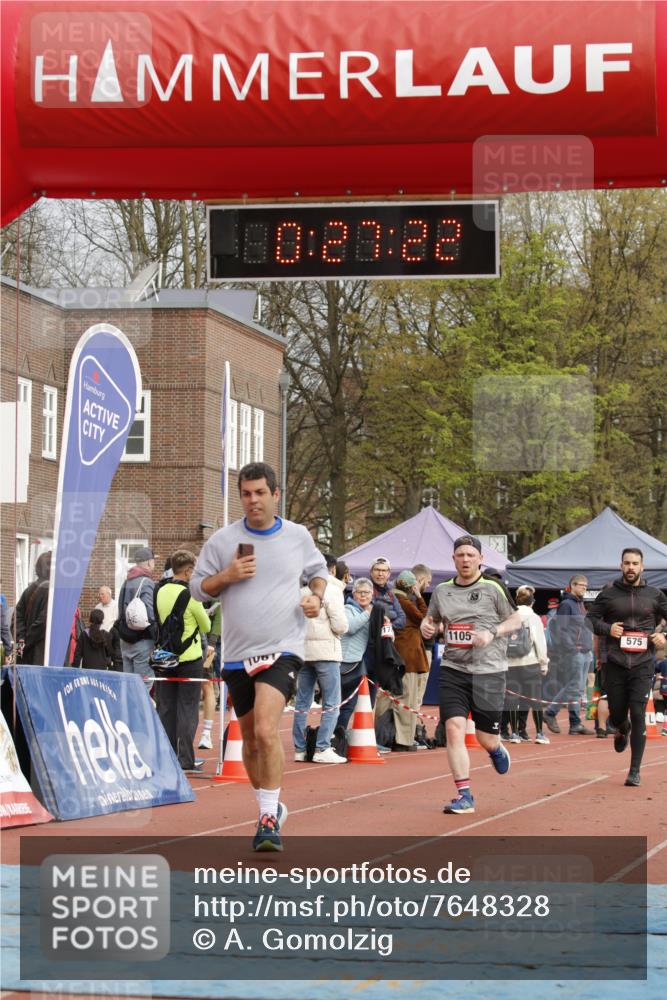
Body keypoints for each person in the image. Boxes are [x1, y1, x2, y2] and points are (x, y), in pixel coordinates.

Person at [190, 462, 328, 851]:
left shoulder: (297, 536)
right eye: (246, 494)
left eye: (260, 493)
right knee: (249, 741)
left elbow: (319, 571)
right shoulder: (222, 540)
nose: (253, 500)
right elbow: (198, 590)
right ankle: (271, 805)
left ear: (275, 495)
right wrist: (227, 576)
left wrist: (314, 597)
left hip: (283, 647)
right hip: (236, 654)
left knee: (267, 731)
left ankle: (267, 820)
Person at [421, 534, 522, 815]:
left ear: (480, 559)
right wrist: (426, 628)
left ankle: (496, 748)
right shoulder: (442, 591)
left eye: (470, 555)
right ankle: (464, 794)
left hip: (489, 671)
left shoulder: (493, 588)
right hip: (454, 669)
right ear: (453, 559)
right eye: (460, 555)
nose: (465, 560)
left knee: (485, 738)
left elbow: (515, 619)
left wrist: (492, 632)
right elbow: (433, 620)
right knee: (453, 728)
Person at [586, 548, 667, 786]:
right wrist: (608, 629)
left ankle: (634, 771)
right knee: (618, 712)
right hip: (616, 662)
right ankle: (622, 727)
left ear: (642, 567)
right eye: (627, 563)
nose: (631, 567)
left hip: (643, 664)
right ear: (621, 566)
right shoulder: (609, 594)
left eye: (635, 563)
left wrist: (664, 636)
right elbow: (589, 619)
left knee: (639, 712)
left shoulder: (654, 595)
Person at [155, 549, 211, 772]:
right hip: (189, 658)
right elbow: (206, 626)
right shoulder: (191, 595)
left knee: (166, 707)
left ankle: (166, 758)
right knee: (187, 708)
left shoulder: (159, 590)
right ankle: (185, 759)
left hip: (165, 656)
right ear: (188, 571)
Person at [293, 558, 348, 764]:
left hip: (304, 652)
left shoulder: (300, 590)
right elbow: (341, 625)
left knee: (302, 702)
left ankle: (299, 748)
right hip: (326, 652)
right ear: (332, 569)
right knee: (332, 702)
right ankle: (322, 747)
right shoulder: (332, 590)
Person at [375, 569, 430, 751]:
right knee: (407, 698)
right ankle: (403, 739)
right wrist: (419, 596)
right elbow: (424, 617)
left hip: (393, 655)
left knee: (388, 696)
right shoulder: (404, 601)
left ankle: (383, 735)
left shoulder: (389, 598)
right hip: (408, 657)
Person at [543, 575, 595, 735]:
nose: (584, 588)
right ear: (572, 585)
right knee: (574, 686)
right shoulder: (567, 604)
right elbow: (561, 629)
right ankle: (551, 712)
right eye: (582, 585)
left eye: (586, 586)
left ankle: (574, 723)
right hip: (576, 651)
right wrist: (573, 648)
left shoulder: (579, 604)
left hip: (584, 651)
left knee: (577, 689)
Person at [502, 585, 549, 744]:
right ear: (532, 602)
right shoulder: (533, 617)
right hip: (529, 662)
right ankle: (540, 734)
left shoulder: (509, 616)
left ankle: (514, 733)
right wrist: (544, 664)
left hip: (510, 664)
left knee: (512, 699)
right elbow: (540, 642)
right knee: (535, 699)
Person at [116, 546, 157, 688]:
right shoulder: (147, 583)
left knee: (129, 686)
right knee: (143, 686)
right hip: (142, 642)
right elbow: (150, 613)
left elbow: (120, 610)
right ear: (149, 563)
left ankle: (128, 711)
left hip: (125, 641)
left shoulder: (126, 581)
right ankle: (140, 711)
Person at [338, 578, 374, 732]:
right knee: (337, 705)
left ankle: (338, 737)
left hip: (356, 663)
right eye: (360, 592)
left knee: (348, 706)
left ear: (372, 594)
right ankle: (330, 739)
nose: (364, 595)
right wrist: (367, 613)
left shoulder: (366, 611)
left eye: (367, 592)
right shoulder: (348, 609)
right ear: (353, 594)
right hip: (343, 663)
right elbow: (351, 627)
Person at [15, 551, 51, 665]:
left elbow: (16, 617)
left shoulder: (28, 590)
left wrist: (21, 641)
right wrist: (27, 641)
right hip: (41, 655)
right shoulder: (52, 591)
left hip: (24, 653)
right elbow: (43, 622)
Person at [369, 557, 406, 631]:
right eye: (377, 570)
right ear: (371, 572)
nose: (380, 574)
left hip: (388, 638)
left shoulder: (390, 593)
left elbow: (402, 619)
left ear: (389, 574)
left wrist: (389, 626)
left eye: (384, 570)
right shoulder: (365, 591)